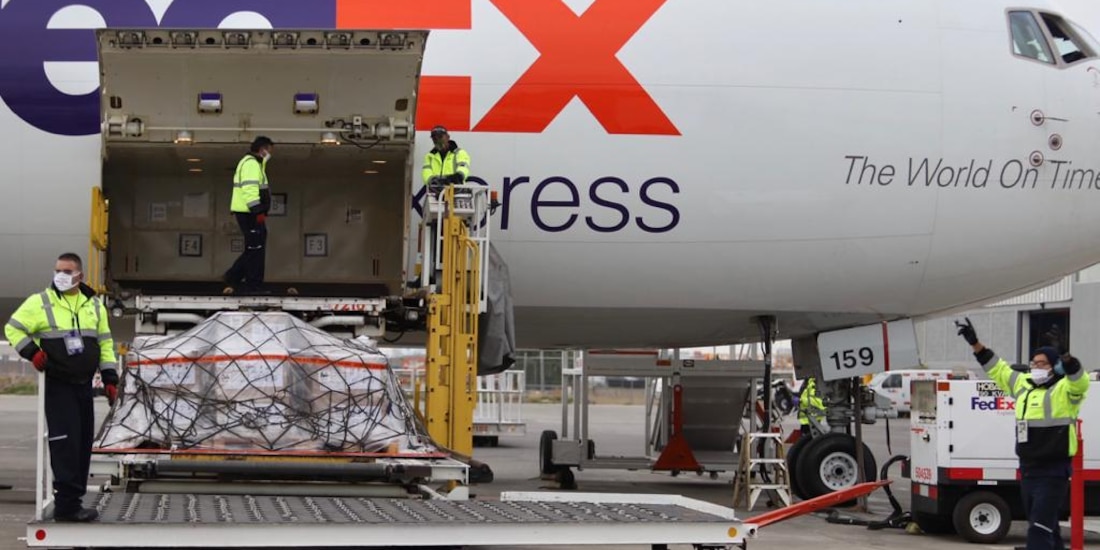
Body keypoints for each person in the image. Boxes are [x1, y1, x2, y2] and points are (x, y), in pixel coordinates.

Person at [955, 317, 1088, 550]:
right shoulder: (1022, 384)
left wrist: (1065, 355)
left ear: (1056, 366)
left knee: (1038, 530)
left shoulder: (1065, 389)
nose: (1036, 367)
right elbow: (997, 368)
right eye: (1034, 363)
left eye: (1043, 364)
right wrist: (975, 343)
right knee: (1048, 528)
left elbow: (1079, 379)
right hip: (1028, 469)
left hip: (1053, 471)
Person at [5, 253, 119, 522]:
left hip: (84, 387)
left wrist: (110, 377)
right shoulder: (40, 302)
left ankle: (74, 501)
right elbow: (13, 329)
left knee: (81, 444)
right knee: (65, 444)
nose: (61, 276)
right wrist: (31, 352)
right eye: (58, 270)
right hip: (59, 386)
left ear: (79, 275)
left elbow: (105, 343)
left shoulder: (93, 305)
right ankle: (66, 506)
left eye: (67, 271)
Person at [417, 126, 472, 285]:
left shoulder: (459, 153)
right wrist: (432, 181)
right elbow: (426, 174)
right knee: (431, 234)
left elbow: (463, 169)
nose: (437, 141)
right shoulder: (430, 156)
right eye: (434, 138)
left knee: (455, 235)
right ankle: (427, 276)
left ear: (447, 136)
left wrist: (454, 177)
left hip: (455, 196)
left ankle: (456, 274)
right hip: (437, 197)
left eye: (440, 137)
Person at [224, 136, 273, 295]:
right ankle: (252, 285)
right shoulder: (251, 164)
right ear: (262, 149)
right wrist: (257, 210)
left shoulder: (253, 164)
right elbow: (250, 188)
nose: (270, 153)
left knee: (254, 247)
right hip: (250, 213)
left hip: (250, 212)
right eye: (269, 150)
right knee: (256, 248)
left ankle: (234, 275)